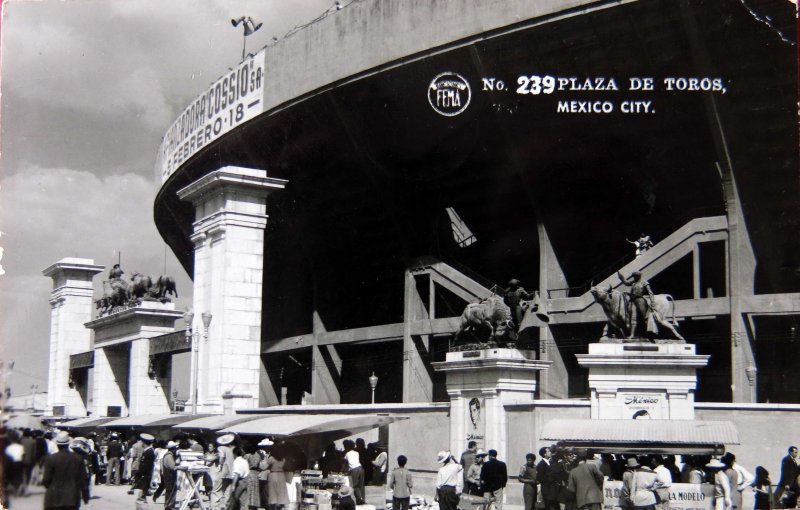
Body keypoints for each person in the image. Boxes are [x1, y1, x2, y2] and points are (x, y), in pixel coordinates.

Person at [42, 431, 89, 510]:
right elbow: (83, 480)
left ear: (57, 444)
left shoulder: (51, 459)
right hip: (71, 498)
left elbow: (46, 480)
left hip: (53, 499)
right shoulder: (78, 458)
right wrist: (85, 495)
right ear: (68, 444)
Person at [618, 271, 655, 337]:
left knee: (644, 317)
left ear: (638, 276)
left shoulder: (644, 282)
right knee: (633, 317)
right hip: (633, 300)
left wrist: (652, 302)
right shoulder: (634, 282)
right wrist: (621, 277)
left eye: (635, 276)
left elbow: (650, 293)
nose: (634, 278)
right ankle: (632, 335)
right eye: (633, 276)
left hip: (640, 300)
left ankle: (649, 333)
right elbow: (626, 283)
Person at [266, 441, 291, 510]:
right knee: (281, 493)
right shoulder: (283, 459)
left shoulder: (271, 458)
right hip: (281, 475)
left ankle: (273, 507)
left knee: (272, 493)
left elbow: (264, 466)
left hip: (273, 475)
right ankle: (280, 507)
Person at [215, 433, 237, 509]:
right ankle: (225, 504)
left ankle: (217, 505)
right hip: (231, 470)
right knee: (228, 489)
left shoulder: (221, 448)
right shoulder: (231, 449)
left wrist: (219, 463)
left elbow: (221, 459)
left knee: (218, 489)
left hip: (224, 470)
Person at [135, 433, 156, 504]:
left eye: (141, 441)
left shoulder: (149, 452)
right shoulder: (147, 451)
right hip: (144, 475)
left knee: (142, 496)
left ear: (144, 442)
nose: (140, 443)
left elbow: (146, 466)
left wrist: (139, 474)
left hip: (145, 476)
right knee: (142, 496)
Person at [344, 439, 366, 505]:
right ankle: (362, 499)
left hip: (354, 470)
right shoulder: (357, 453)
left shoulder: (347, 454)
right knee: (361, 485)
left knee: (355, 485)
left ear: (347, 447)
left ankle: (359, 499)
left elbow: (345, 463)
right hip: (360, 468)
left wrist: (344, 470)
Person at [161, 440, 179, 510]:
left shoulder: (168, 455)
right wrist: (178, 466)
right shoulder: (169, 456)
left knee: (170, 491)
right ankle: (169, 506)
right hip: (169, 476)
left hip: (168, 476)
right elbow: (173, 467)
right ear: (173, 449)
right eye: (175, 449)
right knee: (171, 491)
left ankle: (168, 505)